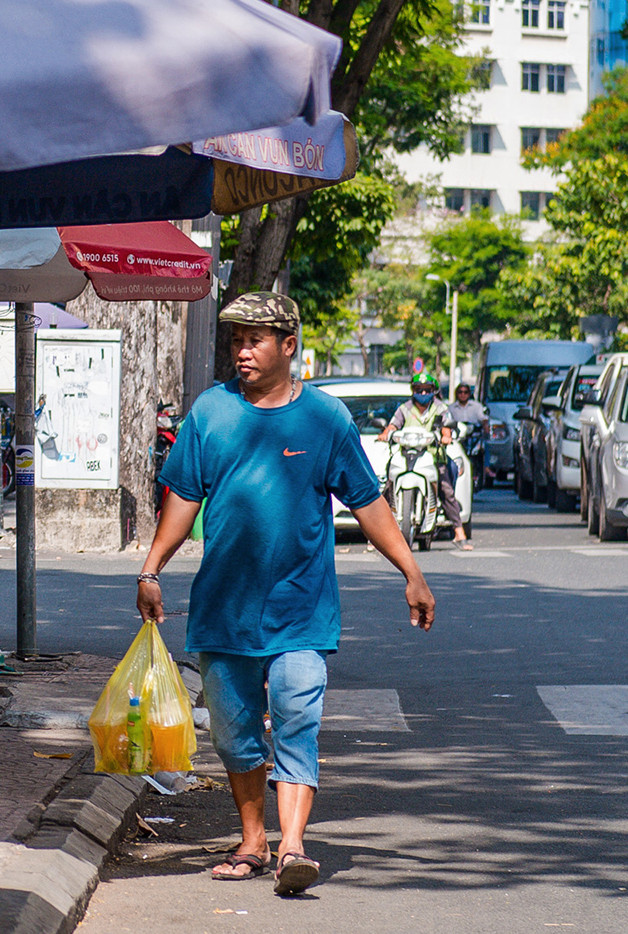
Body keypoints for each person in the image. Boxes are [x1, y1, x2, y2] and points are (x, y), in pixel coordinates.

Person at [135, 292, 434, 897]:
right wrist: (151, 567)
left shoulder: (324, 419)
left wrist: (412, 571)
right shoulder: (211, 412)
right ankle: (252, 840)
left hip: (301, 608)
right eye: (236, 340)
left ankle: (292, 845)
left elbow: (367, 501)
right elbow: (183, 498)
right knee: (233, 731)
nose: (241, 351)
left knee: (297, 717)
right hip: (224, 608)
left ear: (288, 346)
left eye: (254, 340)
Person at [377, 373, 471, 550]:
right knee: (386, 486)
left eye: (426, 390)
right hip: (406, 455)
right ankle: (376, 532)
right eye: (418, 389)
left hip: (433, 457)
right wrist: (386, 433)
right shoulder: (405, 408)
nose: (422, 393)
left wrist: (446, 435)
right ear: (413, 390)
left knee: (446, 490)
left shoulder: (441, 408)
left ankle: (459, 533)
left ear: (433, 391)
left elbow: (447, 426)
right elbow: (393, 425)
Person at [447, 382, 491, 487]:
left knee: (485, 446)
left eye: (465, 392)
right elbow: (448, 421)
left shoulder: (477, 406)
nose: (463, 395)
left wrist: (486, 428)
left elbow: (483, 419)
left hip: (474, 437)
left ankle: (487, 468)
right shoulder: (451, 408)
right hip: (458, 438)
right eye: (460, 392)